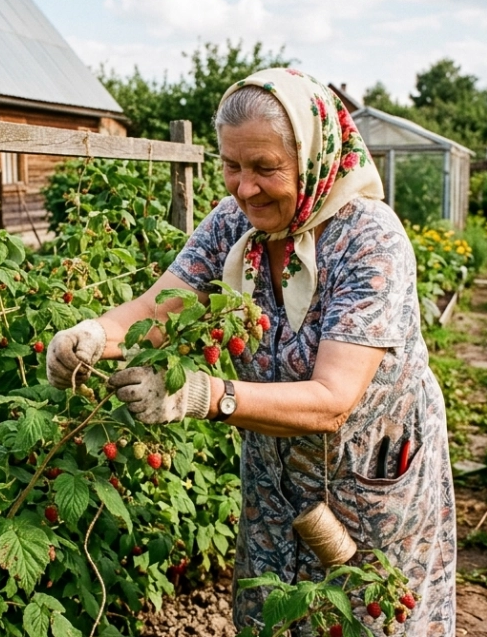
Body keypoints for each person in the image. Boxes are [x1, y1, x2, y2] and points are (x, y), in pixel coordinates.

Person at [46, 68, 456, 634]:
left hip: (367, 472)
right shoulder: (232, 224)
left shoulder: (369, 240)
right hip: (274, 471)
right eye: (231, 165)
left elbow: (333, 400)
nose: (244, 188)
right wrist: (94, 334)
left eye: (265, 168)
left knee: (365, 614)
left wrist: (202, 395)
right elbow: (159, 309)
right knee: (273, 611)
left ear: (312, 158)